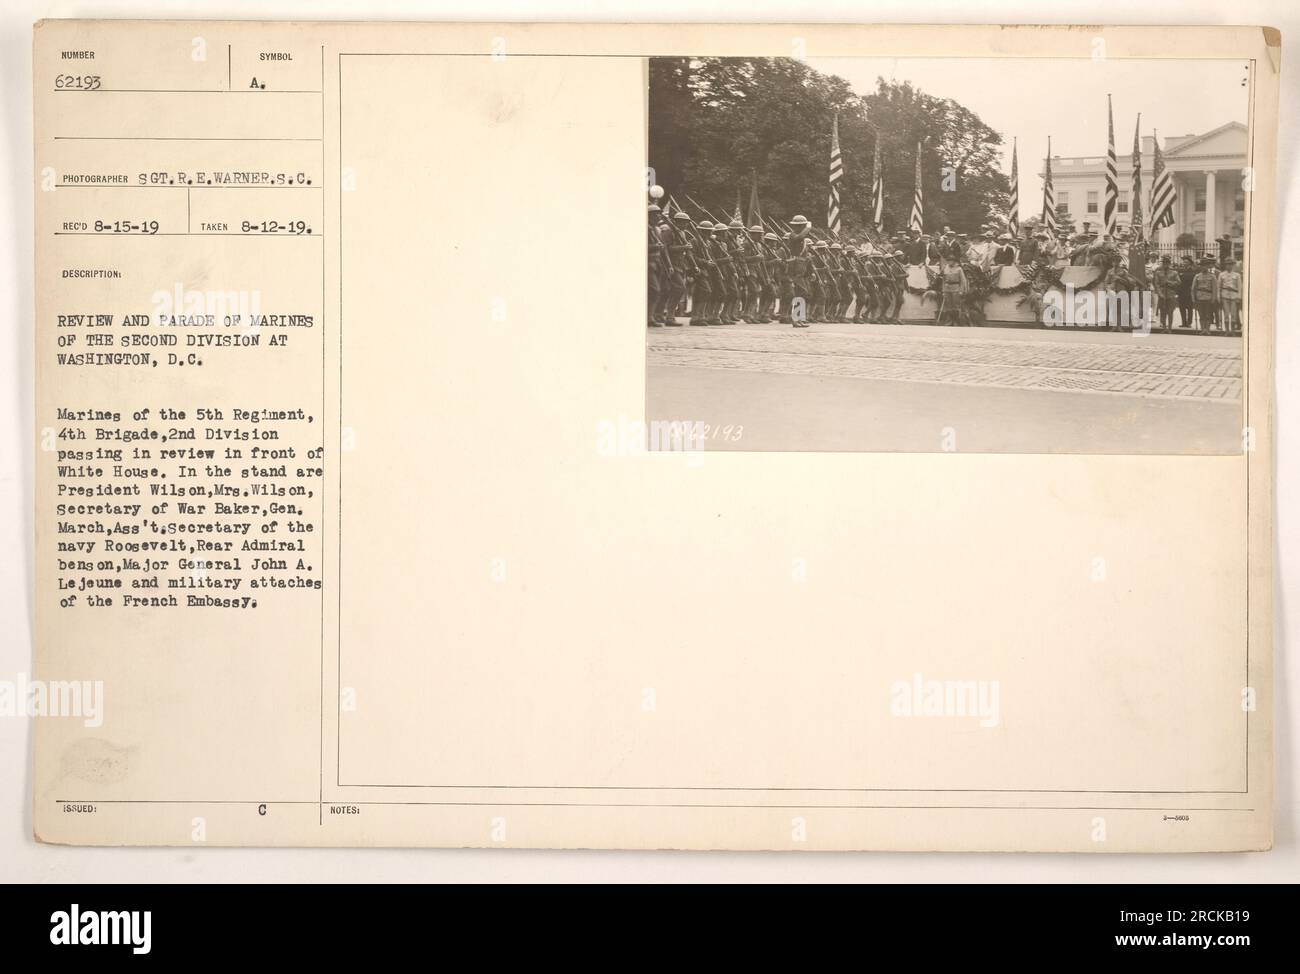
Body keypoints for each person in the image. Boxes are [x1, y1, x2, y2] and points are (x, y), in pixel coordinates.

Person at [936, 254, 969, 326]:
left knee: (956, 306)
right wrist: (943, 290)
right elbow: (944, 281)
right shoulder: (945, 268)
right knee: (948, 306)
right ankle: (949, 321)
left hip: (956, 288)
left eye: (951, 261)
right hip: (947, 289)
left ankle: (956, 321)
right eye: (948, 261)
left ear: (954, 261)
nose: (950, 262)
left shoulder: (959, 269)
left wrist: (961, 290)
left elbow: (963, 280)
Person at [1151, 256, 1181, 333]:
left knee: (1170, 311)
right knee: (1163, 312)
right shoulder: (1158, 273)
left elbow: (1178, 282)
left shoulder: (1174, 273)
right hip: (1162, 293)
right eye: (1164, 263)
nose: (1165, 265)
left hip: (1171, 293)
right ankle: (1164, 327)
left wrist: (1170, 283)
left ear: (1169, 264)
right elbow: (1156, 284)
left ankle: (1170, 328)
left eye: (1167, 263)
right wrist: (1159, 293)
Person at [1191, 259, 1220, 333]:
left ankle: (1207, 329)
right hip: (1199, 297)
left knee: (1208, 314)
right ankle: (1202, 329)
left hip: (1208, 297)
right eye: (1202, 266)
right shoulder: (1197, 276)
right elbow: (1193, 288)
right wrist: (1193, 298)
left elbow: (1215, 288)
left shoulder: (1212, 276)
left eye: (1206, 266)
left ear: (1208, 266)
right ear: (1200, 267)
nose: (1204, 267)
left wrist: (1214, 298)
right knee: (1201, 315)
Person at [1219, 259, 1242, 334]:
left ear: (1233, 265)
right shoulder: (1221, 274)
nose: (1229, 266)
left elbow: (1239, 287)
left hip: (1234, 296)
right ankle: (1227, 330)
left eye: (1230, 264)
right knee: (1226, 314)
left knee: (1233, 314)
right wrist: (1218, 297)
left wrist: (1239, 297)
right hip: (1225, 295)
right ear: (1225, 265)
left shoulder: (1237, 275)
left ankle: (1232, 331)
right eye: (1227, 264)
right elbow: (1219, 286)